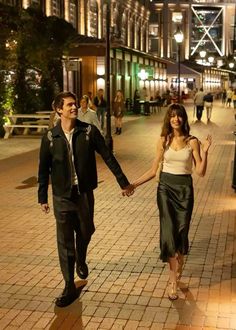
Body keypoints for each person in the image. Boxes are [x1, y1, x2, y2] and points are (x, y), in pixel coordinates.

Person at [38, 91, 133, 308]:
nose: (74, 107)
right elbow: (43, 169)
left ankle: (81, 258)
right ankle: (69, 284)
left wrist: (123, 182)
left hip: (83, 194)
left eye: (74, 104)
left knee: (86, 230)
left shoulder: (88, 131)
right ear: (59, 109)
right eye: (69, 105)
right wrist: (42, 196)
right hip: (61, 196)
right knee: (64, 241)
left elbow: (107, 155)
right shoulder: (50, 138)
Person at [124, 104, 212, 300]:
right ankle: (172, 280)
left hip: (184, 190)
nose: (176, 119)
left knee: (181, 231)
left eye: (179, 116)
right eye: (172, 116)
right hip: (165, 189)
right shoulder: (163, 140)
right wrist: (133, 185)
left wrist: (205, 152)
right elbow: (154, 170)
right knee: (168, 232)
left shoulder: (192, 141)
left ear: (183, 119)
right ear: (168, 119)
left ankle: (179, 260)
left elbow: (201, 172)